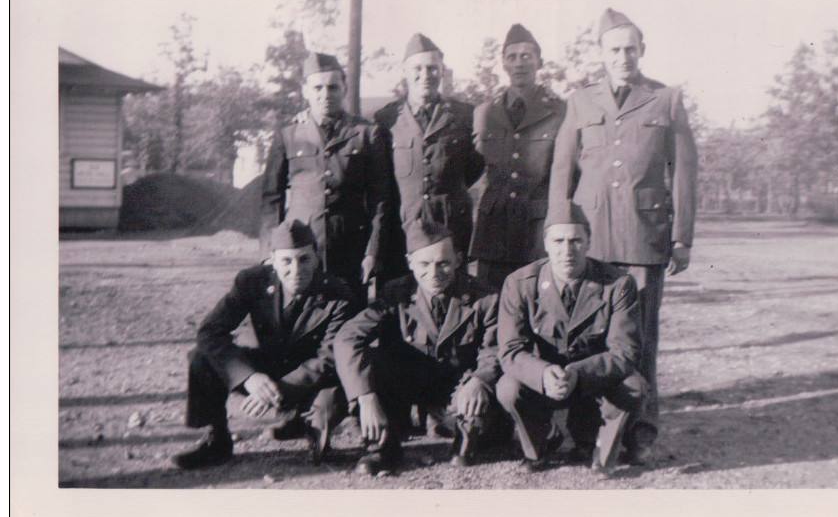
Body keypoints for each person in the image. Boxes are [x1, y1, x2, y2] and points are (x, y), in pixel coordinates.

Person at [548, 8, 698, 464]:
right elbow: (562, 169)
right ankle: (586, 426)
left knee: (641, 338)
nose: (623, 57)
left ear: (642, 50)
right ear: (601, 54)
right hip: (590, 238)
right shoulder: (580, 101)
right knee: (589, 338)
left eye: (630, 48)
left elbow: (685, 171)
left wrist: (682, 236)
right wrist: (558, 230)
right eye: (613, 49)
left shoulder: (666, 99)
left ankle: (641, 430)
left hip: (642, 237)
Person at [172, 220, 359, 469]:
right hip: (267, 367)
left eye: (304, 259)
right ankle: (216, 441)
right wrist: (248, 377)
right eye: (286, 261)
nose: (296, 270)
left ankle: (308, 427)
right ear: (272, 260)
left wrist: (278, 389)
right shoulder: (252, 282)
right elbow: (210, 332)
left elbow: (329, 358)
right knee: (201, 356)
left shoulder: (338, 294)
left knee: (330, 401)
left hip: (312, 378)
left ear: (316, 257)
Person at [333, 221, 503, 475]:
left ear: (458, 259)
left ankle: (467, 435)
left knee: (482, 425)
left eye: (443, 263)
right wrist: (365, 395)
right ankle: (382, 445)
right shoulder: (395, 293)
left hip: (458, 388)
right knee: (372, 362)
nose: (433, 273)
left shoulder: (484, 297)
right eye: (424, 264)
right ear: (410, 262)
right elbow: (347, 338)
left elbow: (496, 347)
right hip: (407, 386)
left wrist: (480, 380)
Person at [496, 203, 646, 476]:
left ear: (589, 241)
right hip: (545, 383)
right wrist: (542, 373)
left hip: (592, 381)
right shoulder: (520, 283)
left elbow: (625, 351)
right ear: (545, 244)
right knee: (508, 387)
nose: (567, 251)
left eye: (576, 240)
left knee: (634, 385)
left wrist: (577, 373)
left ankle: (599, 447)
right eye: (558, 241)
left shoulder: (618, 283)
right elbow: (510, 350)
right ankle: (539, 444)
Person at [261, 52, 394, 307]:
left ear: (344, 88)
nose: (325, 94)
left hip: (350, 248)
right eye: (317, 87)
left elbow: (381, 199)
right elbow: (271, 198)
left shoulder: (366, 134)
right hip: (299, 249)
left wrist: (373, 251)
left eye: (333, 87)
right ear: (305, 91)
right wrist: (271, 250)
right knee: (299, 321)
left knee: (347, 318)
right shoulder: (288, 135)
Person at [471, 23, 567, 290]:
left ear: (539, 62)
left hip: (537, 231)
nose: (519, 63)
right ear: (503, 64)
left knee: (538, 304)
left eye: (527, 56)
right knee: (491, 307)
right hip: (494, 231)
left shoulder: (560, 112)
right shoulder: (484, 113)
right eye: (512, 57)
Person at [374, 34, 485, 259]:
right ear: (404, 71)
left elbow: (475, 165)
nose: (425, 75)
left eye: (432, 68)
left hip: (451, 228)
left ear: (442, 71)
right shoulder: (385, 119)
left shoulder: (464, 115)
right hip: (402, 230)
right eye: (417, 68)